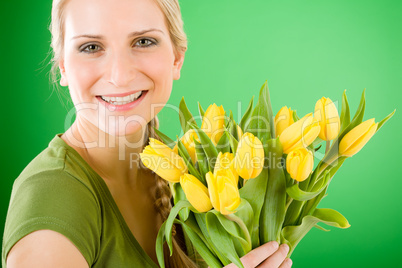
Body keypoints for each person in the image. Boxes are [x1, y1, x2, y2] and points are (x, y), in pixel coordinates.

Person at [2, 0, 293, 267]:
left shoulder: (188, 166)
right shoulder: (51, 197)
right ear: (63, 66)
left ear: (177, 57)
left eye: (143, 41)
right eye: (91, 47)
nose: (120, 75)